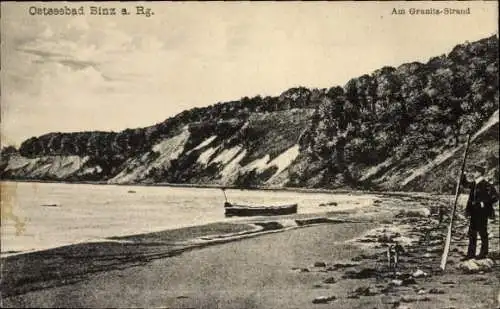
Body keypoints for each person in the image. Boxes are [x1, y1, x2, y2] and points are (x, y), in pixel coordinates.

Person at [461, 164, 499, 260]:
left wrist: (484, 202)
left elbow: (495, 197)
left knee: (482, 232)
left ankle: (483, 253)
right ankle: (471, 254)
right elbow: (465, 184)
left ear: (480, 173)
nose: (473, 173)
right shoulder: (474, 183)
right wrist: (463, 174)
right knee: (472, 233)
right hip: (473, 211)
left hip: (482, 212)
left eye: (475, 172)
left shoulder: (486, 184)